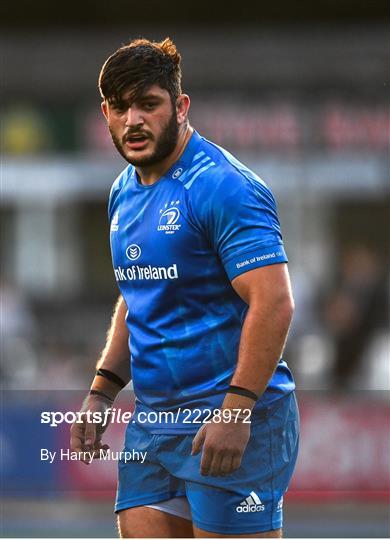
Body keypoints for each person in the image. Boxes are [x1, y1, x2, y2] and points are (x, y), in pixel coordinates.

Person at [70, 37, 299, 538]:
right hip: (154, 424)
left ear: (180, 105)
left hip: (231, 414)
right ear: (105, 113)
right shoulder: (122, 192)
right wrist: (101, 392)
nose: (133, 120)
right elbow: (140, 299)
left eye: (148, 104)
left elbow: (275, 301)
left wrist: (237, 410)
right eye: (120, 108)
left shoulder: (224, 186)